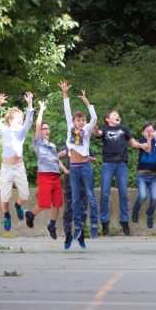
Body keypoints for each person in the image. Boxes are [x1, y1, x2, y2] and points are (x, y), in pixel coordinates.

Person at [93, 109, 148, 236]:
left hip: (121, 165)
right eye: (114, 115)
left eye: (118, 115)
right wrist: (93, 125)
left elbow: (133, 143)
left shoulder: (124, 129)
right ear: (108, 119)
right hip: (108, 165)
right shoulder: (105, 130)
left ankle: (124, 221)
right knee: (105, 193)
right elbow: (97, 132)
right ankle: (105, 222)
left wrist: (141, 145)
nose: (117, 116)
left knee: (124, 194)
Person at [60, 80, 99, 242]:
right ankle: (77, 226)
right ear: (74, 122)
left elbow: (95, 118)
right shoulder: (70, 127)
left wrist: (87, 102)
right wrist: (65, 93)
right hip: (73, 168)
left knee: (90, 195)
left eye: (83, 120)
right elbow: (67, 110)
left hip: (84, 166)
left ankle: (95, 224)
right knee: (75, 197)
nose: (81, 122)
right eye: (78, 120)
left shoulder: (88, 130)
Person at [0, 91, 34, 232]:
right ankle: (6, 215)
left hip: (19, 167)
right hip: (6, 168)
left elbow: (29, 120)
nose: (20, 121)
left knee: (25, 194)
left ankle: (17, 206)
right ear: (10, 120)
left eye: (21, 119)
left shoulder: (22, 132)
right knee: (4, 194)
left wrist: (29, 104)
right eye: (18, 118)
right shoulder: (4, 130)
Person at [25, 100, 64, 239]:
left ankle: (52, 225)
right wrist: (41, 109)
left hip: (56, 176)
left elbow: (56, 159)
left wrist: (65, 170)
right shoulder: (37, 142)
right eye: (44, 128)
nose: (47, 130)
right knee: (44, 203)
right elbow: (37, 124)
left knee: (57, 202)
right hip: (45, 176)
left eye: (48, 128)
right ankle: (30, 214)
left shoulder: (52, 145)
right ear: (40, 131)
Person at [131, 122, 156, 229]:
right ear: (143, 132)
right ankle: (135, 210)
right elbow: (148, 149)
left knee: (155, 198)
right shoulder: (142, 140)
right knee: (143, 196)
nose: (150, 132)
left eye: (152, 130)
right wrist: (148, 138)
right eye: (147, 130)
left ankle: (150, 214)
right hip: (141, 175)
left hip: (153, 176)